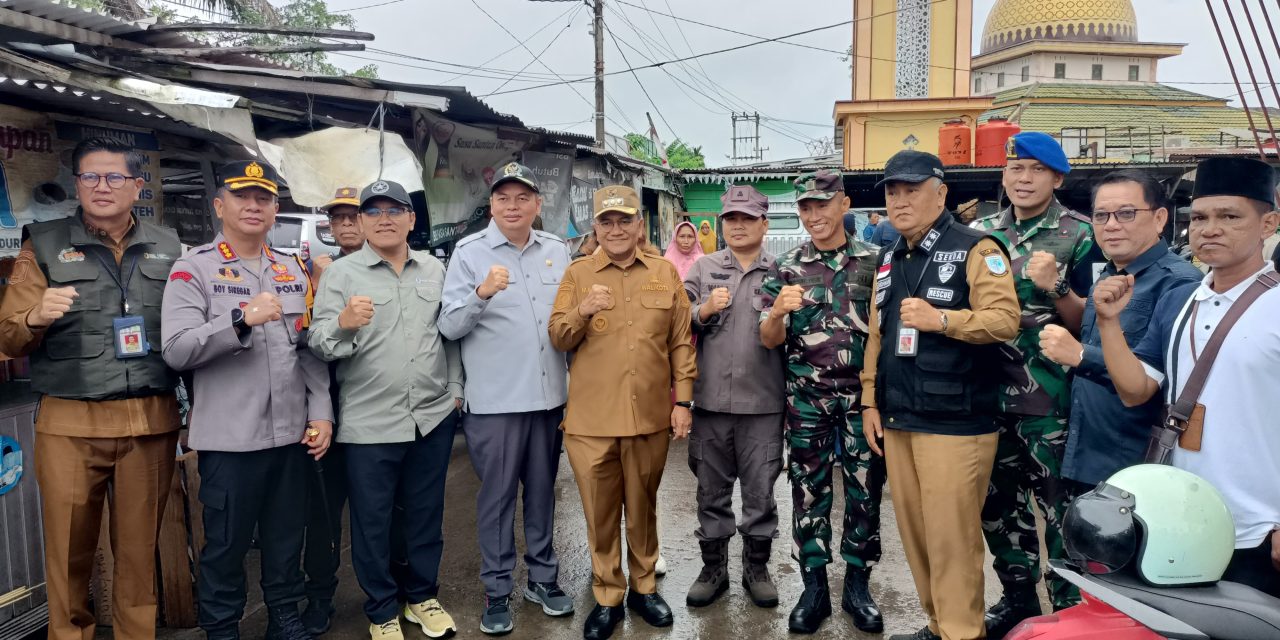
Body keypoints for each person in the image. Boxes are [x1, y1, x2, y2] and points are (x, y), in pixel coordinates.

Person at [0, 137, 182, 640]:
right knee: (67, 557)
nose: (103, 187)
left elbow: (189, 331)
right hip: (69, 423)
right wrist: (34, 316)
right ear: (77, 183)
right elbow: (7, 334)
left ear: (136, 185)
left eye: (115, 177)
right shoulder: (46, 241)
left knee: (137, 558)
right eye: (91, 177)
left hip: (150, 420)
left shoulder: (168, 246)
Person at [162, 160, 332, 640]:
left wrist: (321, 413)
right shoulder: (192, 268)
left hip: (291, 436)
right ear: (220, 206)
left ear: (276, 210)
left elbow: (309, 352)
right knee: (226, 545)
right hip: (231, 441)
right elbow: (176, 350)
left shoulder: (293, 268)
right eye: (242, 197)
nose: (253, 206)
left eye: (263, 198)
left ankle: (284, 616)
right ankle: (222, 627)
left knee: (285, 537)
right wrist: (239, 319)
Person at [1095, 156, 1280, 599]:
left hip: (1260, 528)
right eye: (1199, 217)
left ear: (1268, 223)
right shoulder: (1185, 299)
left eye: (1229, 216)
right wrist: (1108, 323)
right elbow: (1138, 389)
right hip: (1186, 523)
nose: (1210, 229)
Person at [861, 150, 1020, 640]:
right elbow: (877, 335)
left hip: (955, 423)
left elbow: (1004, 320)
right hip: (900, 419)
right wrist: (870, 399)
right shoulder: (890, 259)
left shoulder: (977, 248)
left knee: (953, 543)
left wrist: (944, 320)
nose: (900, 200)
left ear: (941, 193)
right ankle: (939, 625)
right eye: (892, 191)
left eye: (911, 190)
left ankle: (962, 632)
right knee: (918, 539)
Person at [309, 179, 463, 640]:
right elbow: (317, 344)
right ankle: (380, 610)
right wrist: (342, 323)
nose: (384, 219)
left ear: (411, 219)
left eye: (393, 210)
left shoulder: (435, 270)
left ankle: (421, 596)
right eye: (372, 212)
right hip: (370, 422)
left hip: (431, 417)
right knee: (372, 521)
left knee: (424, 513)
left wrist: (454, 389)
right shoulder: (341, 274)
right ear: (360, 222)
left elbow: (449, 335)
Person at [549, 185, 696, 640]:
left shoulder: (664, 272)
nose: (616, 229)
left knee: (644, 507)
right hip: (591, 423)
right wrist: (582, 309)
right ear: (596, 227)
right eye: (607, 222)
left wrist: (684, 401)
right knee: (600, 513)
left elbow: (680, 341)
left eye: (625, 221)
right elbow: (557, 336)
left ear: (639, 226)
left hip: (650, 417)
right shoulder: (577, 275)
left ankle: (645, 587)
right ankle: (608, 594)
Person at [438, 163, 575, 635]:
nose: (512, 207)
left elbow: (568, 325)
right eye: (503, 198)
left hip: (548, 399)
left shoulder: (557, 251)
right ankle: (498, 591)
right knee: (496, 500)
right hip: (495, 403)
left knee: (542, 494)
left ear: (538, 204)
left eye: (522, 198)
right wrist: (481, 293)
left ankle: (543, 579)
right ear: (491, 205)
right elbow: (449, 326)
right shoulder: (470, 254)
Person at [968, 131, 1096, 631]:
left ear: (1057, 178)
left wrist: (1056, 285)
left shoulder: (1082, 234)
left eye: (1036, 170)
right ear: (1004, 174)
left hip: (1052, 402)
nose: (1024, 179)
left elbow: (1094, 323)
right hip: (987, 397)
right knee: (997, 506)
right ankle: (1018, 597)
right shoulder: (979, 233)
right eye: (1016, 168)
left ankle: (1070, 613)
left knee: (1062, 511)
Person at [757, 170, 885, 635]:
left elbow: (886, 334)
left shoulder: (874, 261)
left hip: (862, 401)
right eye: (806, 208)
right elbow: (768, 339)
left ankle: (857, 584)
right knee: (808, 492)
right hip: (807, 401)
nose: (814, 216)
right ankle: (814, 588)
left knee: (865, 491)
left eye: (822, 205)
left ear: (844, 204)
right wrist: (777, 311)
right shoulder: (787, 266)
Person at [1039, 170, 1201, 491]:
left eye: (1126, 213)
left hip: (1135, 458)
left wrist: (1081, 356)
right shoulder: (1112, 273)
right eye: (1101, 215)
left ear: (1158, 219)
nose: (1111, 225)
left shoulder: (1179, 283)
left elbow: (1162, 379)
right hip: (1090, 449)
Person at [681, 185, 785, 609]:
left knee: (760, 491)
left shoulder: (782, 271)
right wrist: (702, 311)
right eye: (730, 219)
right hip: (710, 405)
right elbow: (676, 319)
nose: (737, 226)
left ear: (764, 223)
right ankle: (714, 568)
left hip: (763, 403)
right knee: (711, 489)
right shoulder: (704, 268)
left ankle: (756, 568)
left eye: (746, 218)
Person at [301, 186, 366, 635]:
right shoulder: (312, 271)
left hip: (371, 406)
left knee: (380, 508)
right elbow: (307, 344)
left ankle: (389, 591)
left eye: (354, 216)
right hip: (328, 407)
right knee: (322, 511)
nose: (345, 225)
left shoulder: (393, 264)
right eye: (337, 218)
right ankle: (320, 595)